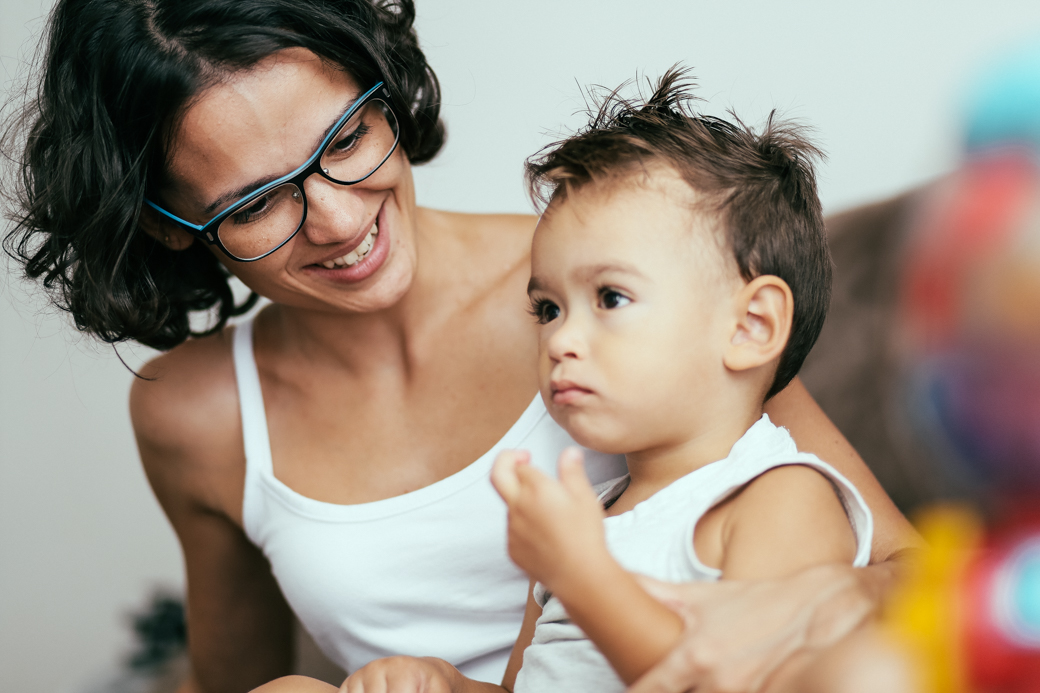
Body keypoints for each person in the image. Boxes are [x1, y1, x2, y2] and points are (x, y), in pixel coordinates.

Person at [3, 2, 919, 692]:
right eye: (254, 203)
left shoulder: (621, 288)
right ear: (169, 226)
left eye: (348, 138)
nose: (338, 218)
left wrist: (806, 606)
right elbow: (235, 680)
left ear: (382, 91)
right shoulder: (193, 415)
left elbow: (908, 573)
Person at [261, 68, 873, 693]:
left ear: (750, 326)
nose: (561, 340)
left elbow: (737, 682)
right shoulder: (593, 516)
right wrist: (445, 683)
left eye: (610, 297)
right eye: (548, 309)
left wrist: (583, 575)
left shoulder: (778, 497)